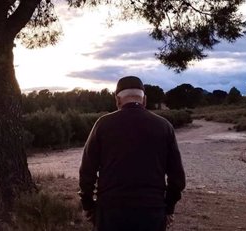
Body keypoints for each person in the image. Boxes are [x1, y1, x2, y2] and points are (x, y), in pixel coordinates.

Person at [78, 76, 186, 231]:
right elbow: (177, 178)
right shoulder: (164, 126)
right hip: (152, 211)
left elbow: (87, 171)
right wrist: (169, 208)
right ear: (144, 100)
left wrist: (88, 205)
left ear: (117, 100)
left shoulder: (102, 125)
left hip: (111, 211)